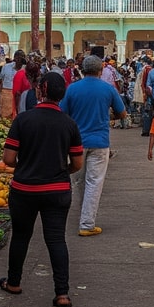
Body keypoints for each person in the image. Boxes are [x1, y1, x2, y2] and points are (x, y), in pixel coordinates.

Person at [0, 72, 82, 307]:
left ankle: (13, 282)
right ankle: (62, 293)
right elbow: (77, 164)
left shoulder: (23, 120)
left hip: (24, 189)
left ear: (40, 91)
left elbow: (8, 158)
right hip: (57, 190)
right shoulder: (69, 124)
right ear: (62, 95)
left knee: (21, 236)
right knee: (56, 239)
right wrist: (59, 169)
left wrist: (25, 165)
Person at [57, 55, 124, 236]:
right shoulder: (107, 89)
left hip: (76, 142)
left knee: (78, 180)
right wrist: (108, 117)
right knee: (94, 182)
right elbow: (122, 113)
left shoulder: (72, 89)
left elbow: (63, 113)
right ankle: (87, 223)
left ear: (82, 69)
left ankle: (83, 216)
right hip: (100, 141)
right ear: (100, 70)